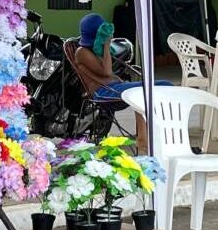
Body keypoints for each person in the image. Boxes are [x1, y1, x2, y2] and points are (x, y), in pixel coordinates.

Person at [72, 13, 170, 148]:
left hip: (114, 87)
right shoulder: (82, 52)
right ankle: (142, 139)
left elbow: (109, 73)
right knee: (141, 91)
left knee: (165, 86)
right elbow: (106, 72)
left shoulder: (94, 50)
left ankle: (155, 135)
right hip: (103, 92)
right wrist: (106, 44)